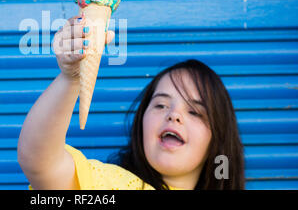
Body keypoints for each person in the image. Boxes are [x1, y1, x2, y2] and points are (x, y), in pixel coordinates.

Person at [17, 14, 245, 190]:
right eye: (160, 105)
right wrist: (71, 78)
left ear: (217, 139)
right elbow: (40, 162)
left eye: (195, 112)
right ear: (141, 123)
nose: (174, 115)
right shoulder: (114, 184)